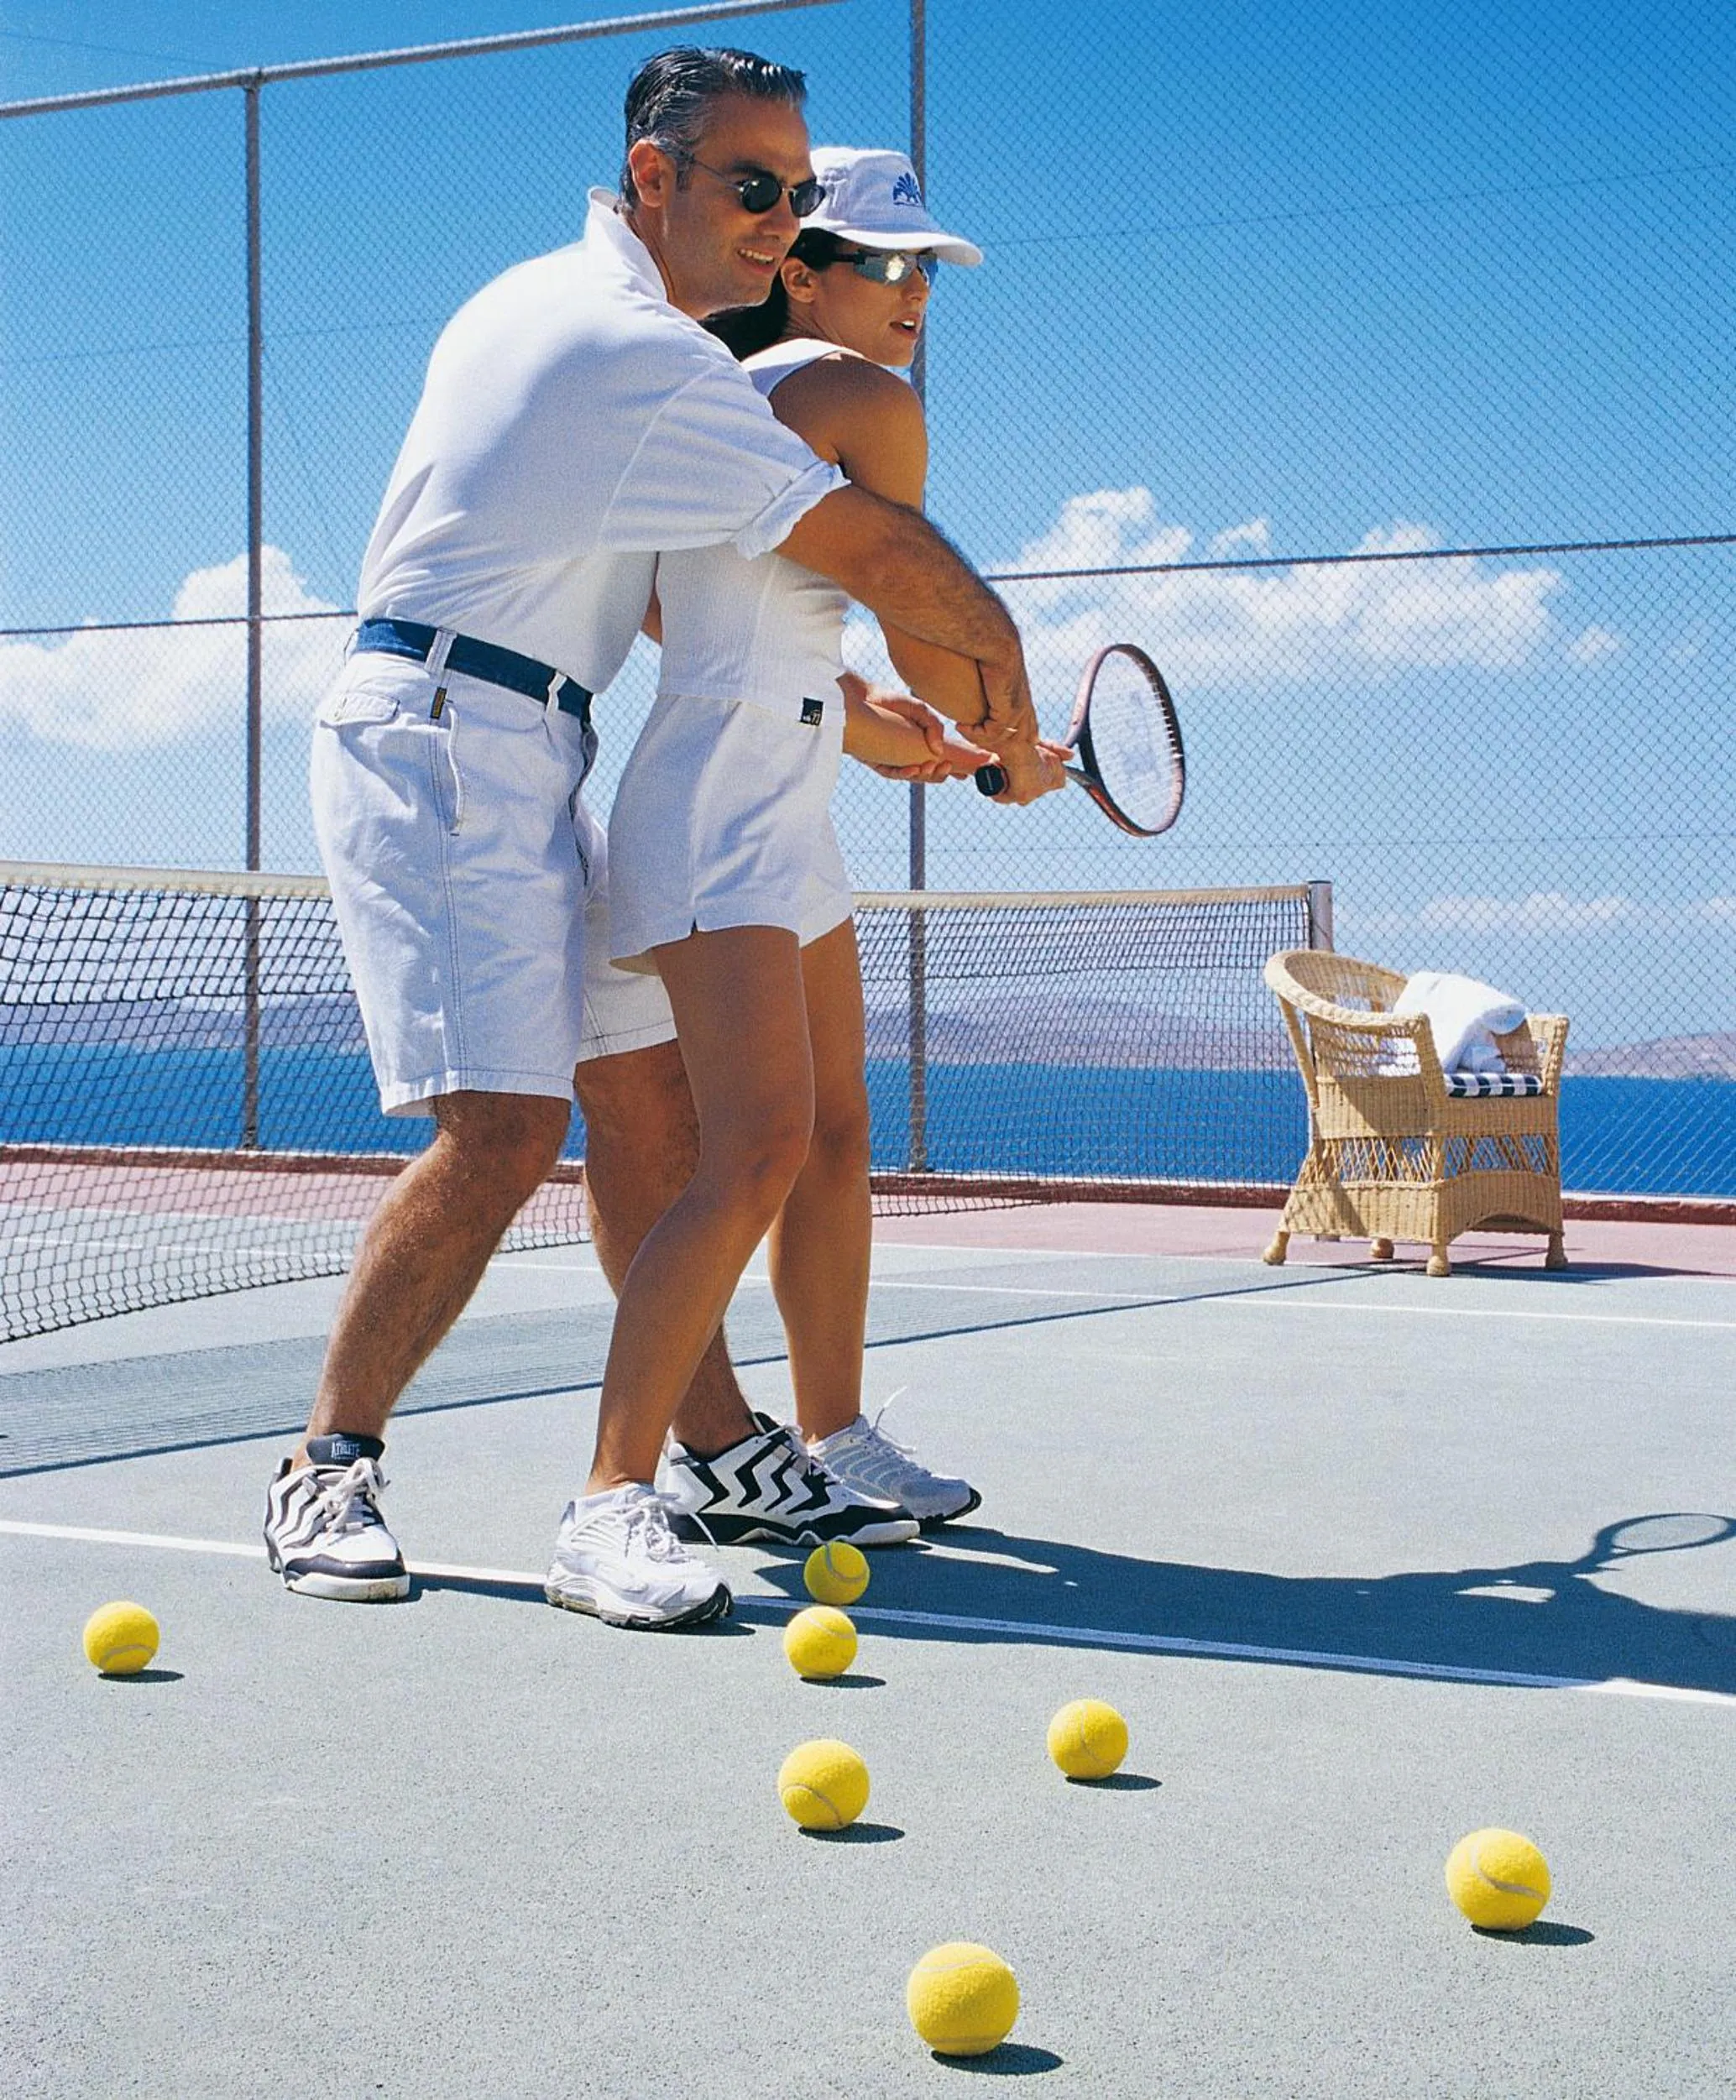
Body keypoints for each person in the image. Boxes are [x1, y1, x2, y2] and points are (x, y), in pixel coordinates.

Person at [264, 47, 1044, 1628]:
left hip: (535, 733)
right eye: (755, 188)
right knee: (501, 1131)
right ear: (654, 181)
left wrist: (909, 722)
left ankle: (716, 1451)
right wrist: (1012, 708)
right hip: (441, 728)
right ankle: (329, 1462)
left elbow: (767, 620)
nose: (779, 219)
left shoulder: (605, 329)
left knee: (644, 1113)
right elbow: (878, 550)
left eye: (792, 190)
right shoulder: (631, 350)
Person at [599, 147, 1064, 1554]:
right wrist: (1013, 750)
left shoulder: (710, 403)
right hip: (717, 813)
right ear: (798, 268)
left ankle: (829, 1432)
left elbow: (680, 614)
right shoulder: (866, 399)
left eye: (929, 269)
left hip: (769, 795)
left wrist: (864, 719)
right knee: (754, 1148)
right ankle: (626, 1484)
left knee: (832, 1132)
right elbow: (932, 614)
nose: (915, 292)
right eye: (885, 262)